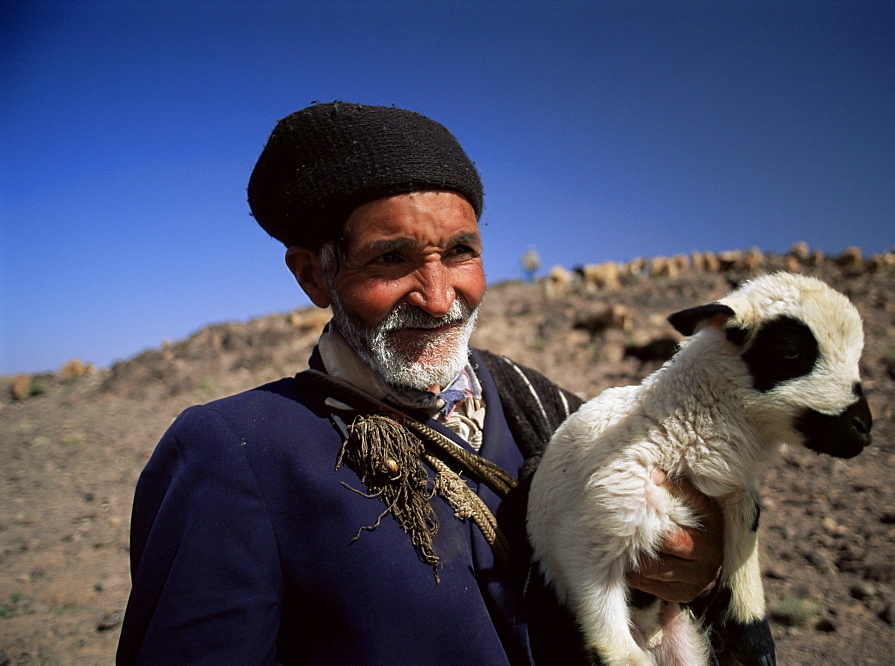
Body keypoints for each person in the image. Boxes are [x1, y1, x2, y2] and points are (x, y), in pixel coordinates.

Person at [116, 101, 724, 664]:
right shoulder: (234, 452)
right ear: (314, 277)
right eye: (389, 258)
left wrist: (698, 570)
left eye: (460, 252)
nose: (438, 301)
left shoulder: (546, 408)